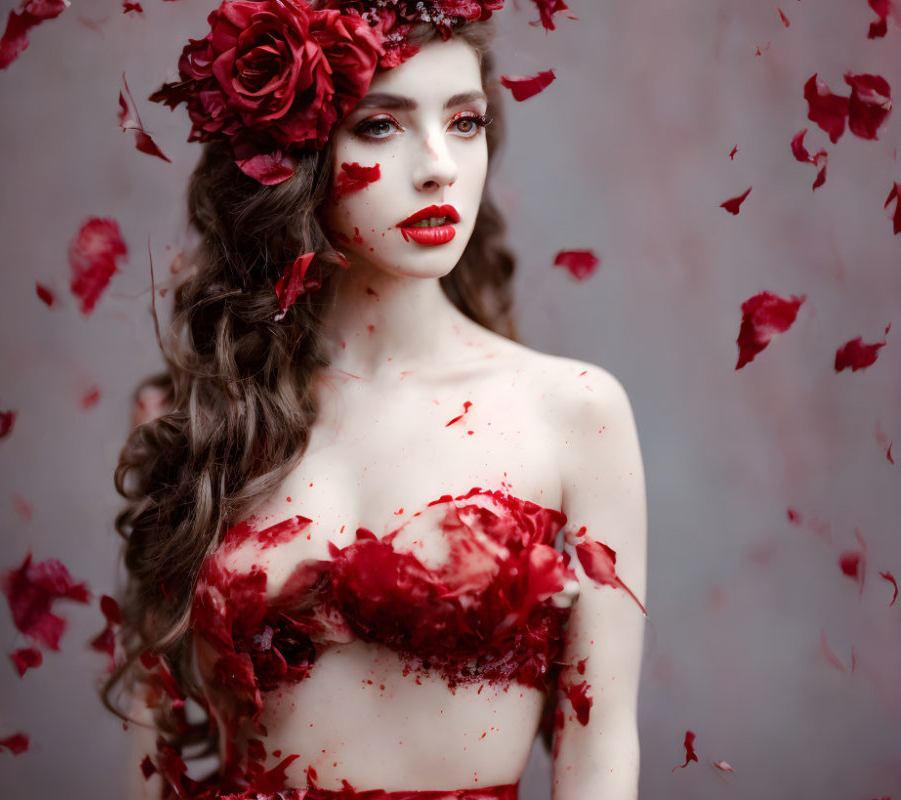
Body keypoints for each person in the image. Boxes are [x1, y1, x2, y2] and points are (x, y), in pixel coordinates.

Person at [105, 1, 647, 799]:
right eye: (380, 126)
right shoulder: (188, 420)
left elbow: (599, 758)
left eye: (464, 123)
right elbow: (152, 754)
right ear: (290, 160)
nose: (438, 166)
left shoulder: (573, 413)